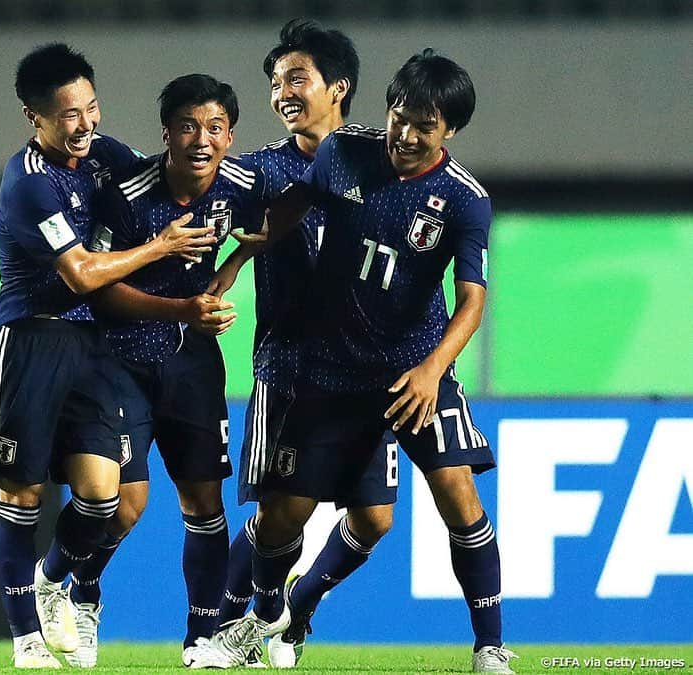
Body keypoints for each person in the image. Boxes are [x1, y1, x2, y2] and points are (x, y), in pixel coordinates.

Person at [195, 49, 518, 674]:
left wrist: (432, 372)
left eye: (423, 124)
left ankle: (490, 648)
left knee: (458, 496)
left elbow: (472, 304)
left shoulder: (464, 200)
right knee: (282, 513)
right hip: (332, 374)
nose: (405, 133)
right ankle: (262, 621)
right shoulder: (344, 152)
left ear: (449, 130)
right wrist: (237, 261)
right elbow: (294, 205)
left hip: (412, 374)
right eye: (399, 114)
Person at [0, 44, 215, 669]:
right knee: (21, 493)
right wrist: (159, 248)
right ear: (35, 118)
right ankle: (27, 640)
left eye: (92, 108)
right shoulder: (28, 183)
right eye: (68, 115)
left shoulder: (103, 157)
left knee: (107, 497)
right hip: (26, 340)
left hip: (89, 344)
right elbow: (79, 274)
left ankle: (58, 580)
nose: (86, 125)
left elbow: (168, 180)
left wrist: (245, 223)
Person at [200, 19, 397, 669]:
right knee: (275, 517)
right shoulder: (258, 170)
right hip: (287, 369)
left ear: (338, 87)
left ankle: (296, 608)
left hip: (369, 372)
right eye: (275, 82)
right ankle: (233, 629)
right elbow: (198, 213)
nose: (282, 92)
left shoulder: (383, 163)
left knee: (374, 521)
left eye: (296, 78)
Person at [53, 73, 266, 669]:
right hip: (119, 356)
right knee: (125, 504)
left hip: (192, 362)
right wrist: (184, 308)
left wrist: (233, 265)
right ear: (167, 133)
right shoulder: (127, 194)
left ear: (230, 135)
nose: (203, 139)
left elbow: (285, 213)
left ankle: (204, 636)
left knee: (205, 504)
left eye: (216, 127)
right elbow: (100, 290)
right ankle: (83, 592)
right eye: (189, 126)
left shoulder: (243, 184)